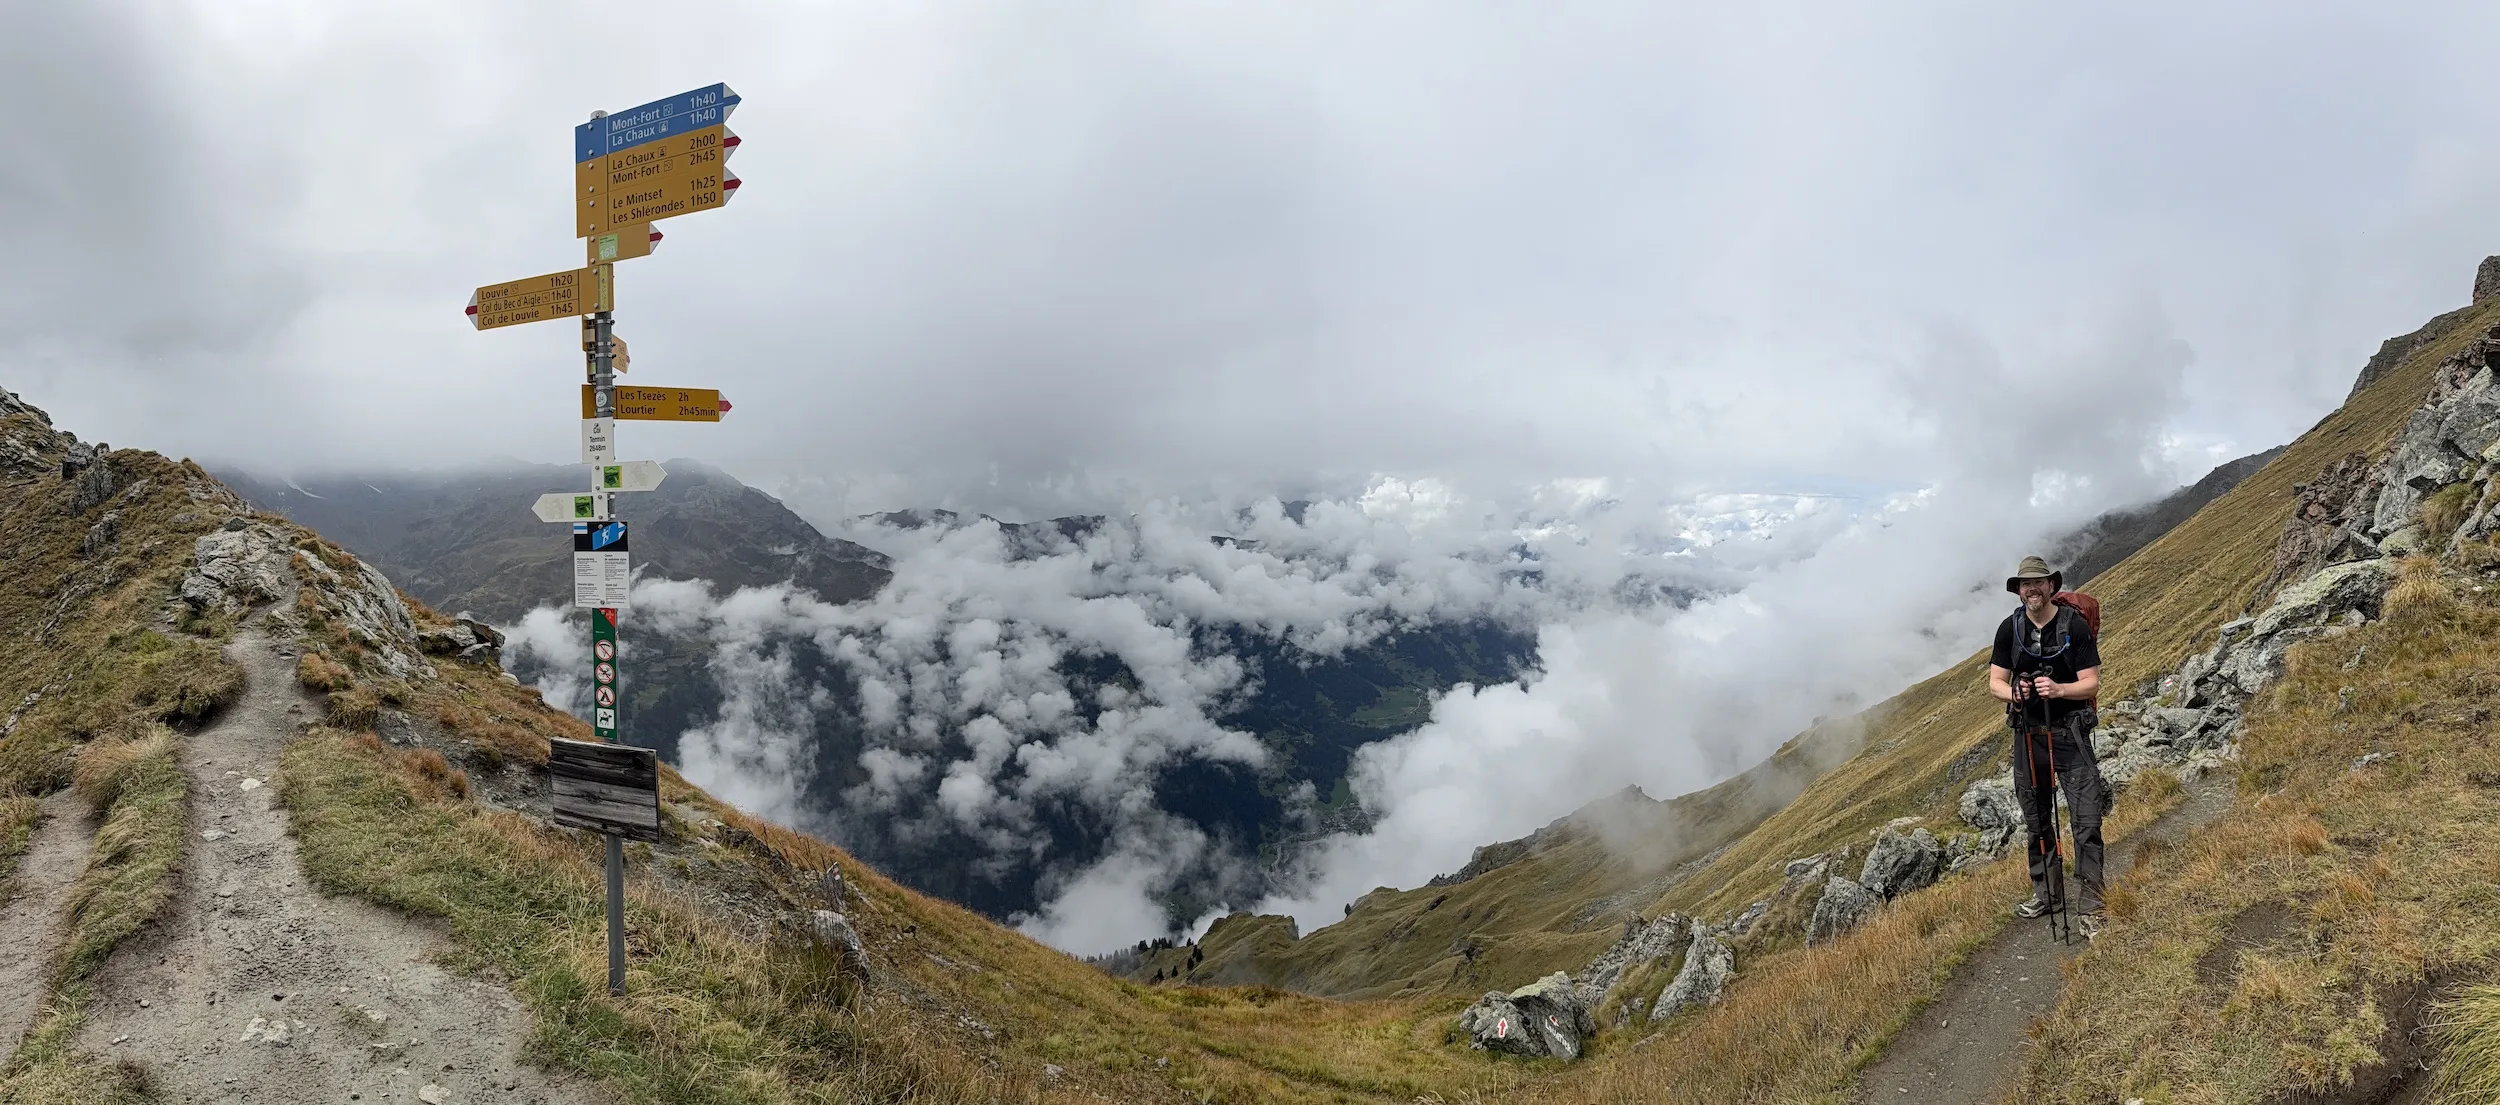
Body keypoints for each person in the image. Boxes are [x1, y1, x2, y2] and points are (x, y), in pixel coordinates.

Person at [1986, 555, 2109, 938]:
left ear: (2051, 586)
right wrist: (2015, 694)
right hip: (2027, 733)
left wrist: (2059, 690)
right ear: (2019, 590)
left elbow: (2091, 683)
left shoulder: (2075, 627)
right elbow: (1994, 683)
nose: (2032, 589)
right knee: (2037, 821)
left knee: (2086, 820)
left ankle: (2092, 902)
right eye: (2026, 584)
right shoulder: (2010, 628)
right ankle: (2048, 894)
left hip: (2069, 732)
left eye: (2038, 583)